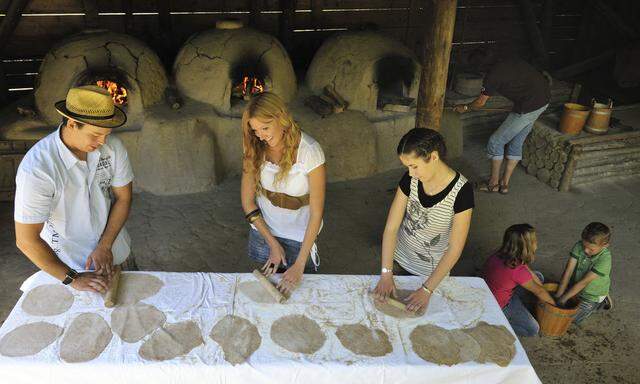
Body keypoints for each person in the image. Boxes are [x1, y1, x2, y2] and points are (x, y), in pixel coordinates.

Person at [14, 85, 134, 293]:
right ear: (71, 123)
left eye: (107, 134)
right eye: (96, 134)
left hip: (114, 249)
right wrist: (72, 278)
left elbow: (123, 198)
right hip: (64, 264)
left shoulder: (113, 147)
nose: (103, 141)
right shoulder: (38, 169)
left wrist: (105, 245)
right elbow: (26, 240)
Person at [373, 128, 474, 313]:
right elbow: (391, 227)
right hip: (398, 260)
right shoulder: (410, 180)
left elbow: (454, 249)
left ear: (433, 157)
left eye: (414, 166)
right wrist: (386, 272)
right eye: (407, 167)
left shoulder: (462, 192)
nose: (411, 173)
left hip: (432, 274)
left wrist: (427, 289)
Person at [240, 92, 326, 294]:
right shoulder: (255, 148)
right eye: (255, 130)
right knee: (265, 294)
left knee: (299, 296)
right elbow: (248, 203)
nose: (260, 135)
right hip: (264, 233)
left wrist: (299, 263)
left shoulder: (310, 151)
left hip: (300, 238)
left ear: (281, 118)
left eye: (265, 127)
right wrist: (272, 243)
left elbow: (316, 213)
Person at [454, 49, 550, 194]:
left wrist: (465, 107)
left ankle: (493, 184)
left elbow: (480, 102)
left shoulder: (493, 76)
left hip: (529, 106)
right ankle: (504, 184)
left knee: (495, 141)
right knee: (516, 141)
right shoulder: (508, 58)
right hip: (543, 98)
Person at [483, 224, 555, 336]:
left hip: (493, 293)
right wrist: (555, 305)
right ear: (527, 246)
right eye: (534, 241)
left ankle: (518, 308)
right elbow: (540, 291)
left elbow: (528, 272)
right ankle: (496, 324)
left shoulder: (501, 254)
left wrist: (539, 287)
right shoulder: (517, 271)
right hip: (500, 306)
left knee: (538, 276)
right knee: (532, 330)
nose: (537, 243)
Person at [555, 222, 613, 324]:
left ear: (605, 246)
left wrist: (563, 299)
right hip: (575, 285)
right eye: (584, 245)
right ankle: (570, 295)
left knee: (568, 320)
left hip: (591, 294)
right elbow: (568, 271)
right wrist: (558, 295)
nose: (586, 250)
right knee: (559, 310)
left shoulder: (605, 259)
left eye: (591, 249)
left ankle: (599, 302)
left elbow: (584, 282)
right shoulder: (579, 246)